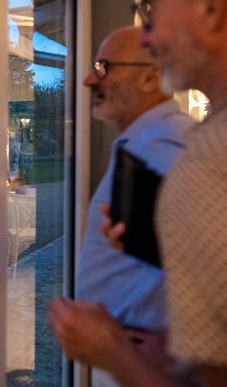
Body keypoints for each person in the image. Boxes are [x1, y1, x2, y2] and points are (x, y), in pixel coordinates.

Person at [49, 0, 227, 386]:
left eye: (151, 12)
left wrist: (112, 352)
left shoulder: (191, 153)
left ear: (210, 3)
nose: (88, 79)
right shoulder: (181, 142)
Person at [75, 26, 193, 387]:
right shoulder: (148, 142)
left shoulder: (161, 148)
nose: (89, 79)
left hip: (143, 366)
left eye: (103, 67)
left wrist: (176, 346)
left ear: (150, 77)